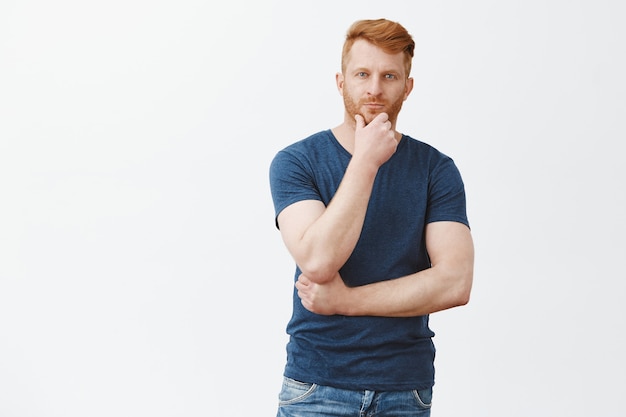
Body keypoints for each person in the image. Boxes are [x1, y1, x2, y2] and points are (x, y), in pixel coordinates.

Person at [269, 18, 474, 417]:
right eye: (362, 74)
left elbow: (455, 283)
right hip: (317, 388)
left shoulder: (436, 169)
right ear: (340, 81)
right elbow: (318, 259)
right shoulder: (296, 162)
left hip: (405, 389)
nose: (375, 89)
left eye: (389, 76)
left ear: (407, 87)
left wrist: (346, 301)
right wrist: (365, 160)